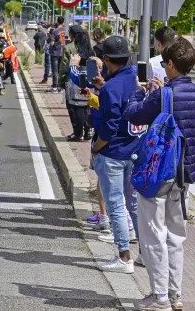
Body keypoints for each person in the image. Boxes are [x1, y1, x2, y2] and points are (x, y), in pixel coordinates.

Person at [124, 37, 195, 311]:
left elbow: (134, 115)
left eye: (166, 64)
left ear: (172, 65)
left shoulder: (164, 94)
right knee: (177, 236)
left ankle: (160, 297)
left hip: (158, 174)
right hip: (184, 175)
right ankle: (175, 295)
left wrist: (139, 92)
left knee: (154, 234)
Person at [91, 36, 140, 274]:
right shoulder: (134, 80)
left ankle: (124, 257)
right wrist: (104, 88)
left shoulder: (111, 87)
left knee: (116, 206)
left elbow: (109, 127)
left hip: (112, 153)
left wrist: (96, 146)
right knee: (133, 205)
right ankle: (147, 255)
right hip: (134, 149)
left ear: (106, 59)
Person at [48, 16, 66, 92]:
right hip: (63, 52)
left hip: (55, 52)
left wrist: (49, 39)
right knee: (60, 70)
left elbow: (52, 43)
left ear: (57, 21)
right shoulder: (66, 30)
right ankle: (60, 86)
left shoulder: (55, 31)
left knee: (54, 70)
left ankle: (55, 86)